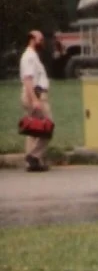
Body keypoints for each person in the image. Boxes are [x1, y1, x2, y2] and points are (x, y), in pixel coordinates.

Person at [19, 30, 51, 172]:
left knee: (33, 130)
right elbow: (28, 80)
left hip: (34, 94)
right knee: (47, 126)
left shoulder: (32, 56)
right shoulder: (29, 57)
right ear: (32, 39)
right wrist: (34, 100)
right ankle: (33, 156)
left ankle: (32, 162)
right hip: (35, 94)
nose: (42, 42)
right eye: (40, 39)